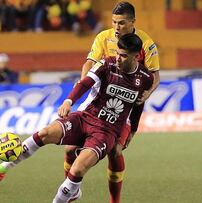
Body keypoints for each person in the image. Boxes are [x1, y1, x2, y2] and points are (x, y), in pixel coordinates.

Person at [0, 33, 154, 203]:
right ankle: (3, 168)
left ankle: (70, 192)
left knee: (77, 170)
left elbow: (138, 105)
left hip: (107, 131)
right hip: (85, 117)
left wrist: (133, 130)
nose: (118, 58)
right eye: (118, 53)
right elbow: (84, 84)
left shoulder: (145, 78)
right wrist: (69, 101)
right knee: (44, 133)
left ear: (136, 56)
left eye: (123, 56)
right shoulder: (107, 64)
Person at [66, 2, 160, 203]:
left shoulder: (146, 43)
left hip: (124, 108)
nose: (117, 27)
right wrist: (85, 81)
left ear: (133, 22)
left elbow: (155, 76)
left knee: (115, 150)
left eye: (122, 23)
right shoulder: (103, 37)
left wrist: (147, 93)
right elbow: (90, 62)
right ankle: (69, 189)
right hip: (99, 101)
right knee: (69, 148)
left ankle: (114, 200)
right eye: (114, 22)